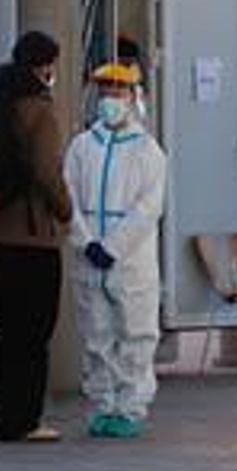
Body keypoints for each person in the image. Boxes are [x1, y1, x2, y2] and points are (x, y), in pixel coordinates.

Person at [0, 31, 73, 442]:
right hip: (32, 239)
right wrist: (66, 211)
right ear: (45, 65)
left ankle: (2, 415)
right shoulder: (39, 110)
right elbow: (48, 172)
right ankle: (25, 419)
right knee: (32, 332)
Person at [63, 62, 167, 439]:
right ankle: (103, 404)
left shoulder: (147, 151)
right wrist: (85, 241)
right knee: (96, 336)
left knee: (136, 334)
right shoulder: (81, 147)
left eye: (119, 93)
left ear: (134, 98)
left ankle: (131, 406)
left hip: (131, 262)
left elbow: (148, 207)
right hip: (89, 257)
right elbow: (67, 197)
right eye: (105, 93)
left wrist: (114, 246)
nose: (111, 101)